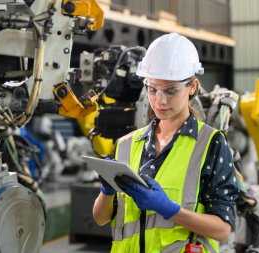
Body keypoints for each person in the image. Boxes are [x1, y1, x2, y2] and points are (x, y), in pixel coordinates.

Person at [92, 32, 238, 253]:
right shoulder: (126, 144)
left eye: (170, 90)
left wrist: (170, 210)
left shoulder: (210, 144)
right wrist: (106, 192)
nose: (160, 100)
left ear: (192, 87)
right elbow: (101, 219)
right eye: (152, 89)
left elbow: (223, 230)